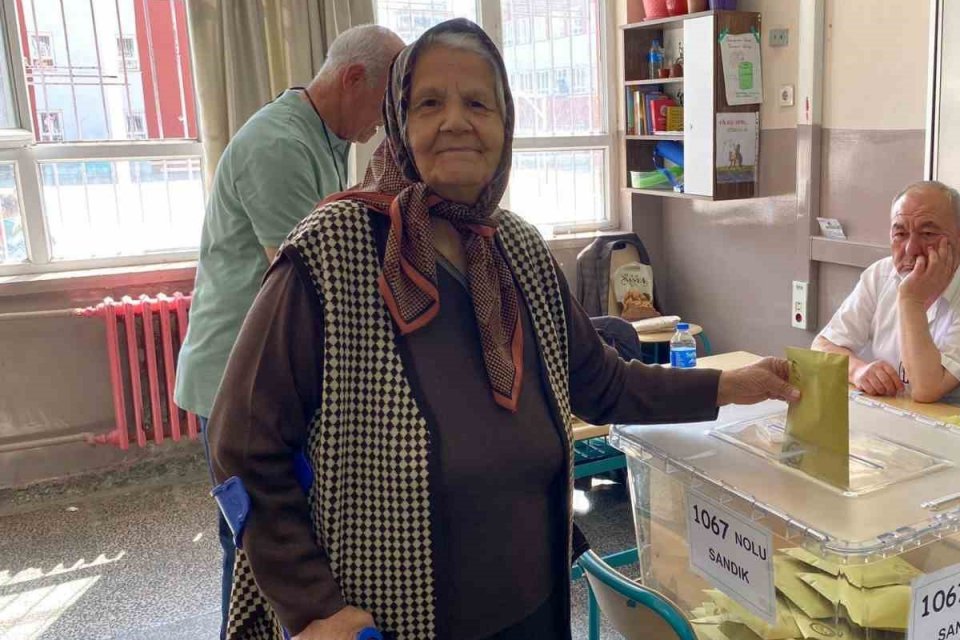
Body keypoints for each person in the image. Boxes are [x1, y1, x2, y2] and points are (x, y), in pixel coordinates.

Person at [207, 19, 799, 640]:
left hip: (534, 607)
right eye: (430, 102)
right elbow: (242, 439)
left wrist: (731, 386)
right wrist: (311, 606)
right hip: (395, 616)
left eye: (478, 103)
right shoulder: (334, 249)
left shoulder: (517, 248)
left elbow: (604, 385)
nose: (456, 120)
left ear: (505, 124)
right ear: (399, 122)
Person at [172, 24, 404, 637]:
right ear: (353, 79)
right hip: (238, 383)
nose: (385, 124)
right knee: (256, 546)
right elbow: (317, 281)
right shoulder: (278, 144)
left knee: (284, 542)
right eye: (387, 105)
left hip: (271, 379)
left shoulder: (324, 136)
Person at [812, 181, 960, 415]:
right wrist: (857, 371)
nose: (910, 249)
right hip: (900, 417)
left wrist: (911, 300)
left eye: (927, 234)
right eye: (900, 233)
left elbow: (926, 389)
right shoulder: (880, 274)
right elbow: (822, 345)